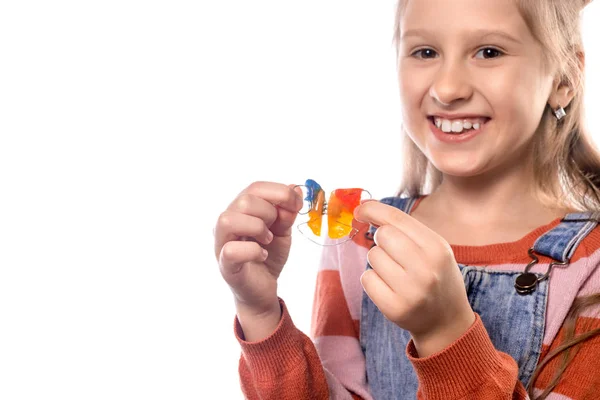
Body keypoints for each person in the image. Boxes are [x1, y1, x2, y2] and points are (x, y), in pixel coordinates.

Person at [213, 0, 600, 398]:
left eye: (489, 52)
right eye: (425, 52)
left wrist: (446, 335)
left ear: (564, 79)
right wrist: (260, 314)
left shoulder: (592, 265)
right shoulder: (356, 242)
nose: (448, 89)